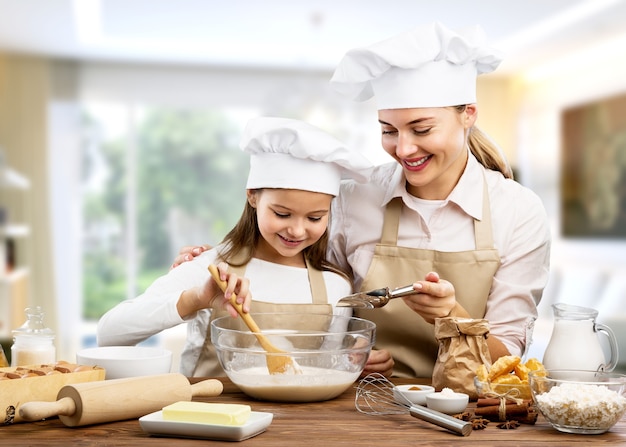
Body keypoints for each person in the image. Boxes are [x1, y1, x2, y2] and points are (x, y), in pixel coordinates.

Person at [171, 22, 551, 379]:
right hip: (363, 402)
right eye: (389, 130)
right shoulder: (356, 197)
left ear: (468, 114)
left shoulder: (518, 211)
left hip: (469, 406)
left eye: (421, 129)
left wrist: (452, 316)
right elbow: (307, 291)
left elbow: (509, 359)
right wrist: (215, 262)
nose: (403, 149)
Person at [96, 116, 374, 377]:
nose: (297, 230)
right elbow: (109, 333)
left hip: (297, 426)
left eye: (315, 217)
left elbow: (325, 370)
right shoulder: (211, 269)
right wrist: (195, 299)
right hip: (207, 420)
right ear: (252, 196)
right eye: (282, 214)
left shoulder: (335, 285)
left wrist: (352, 361)